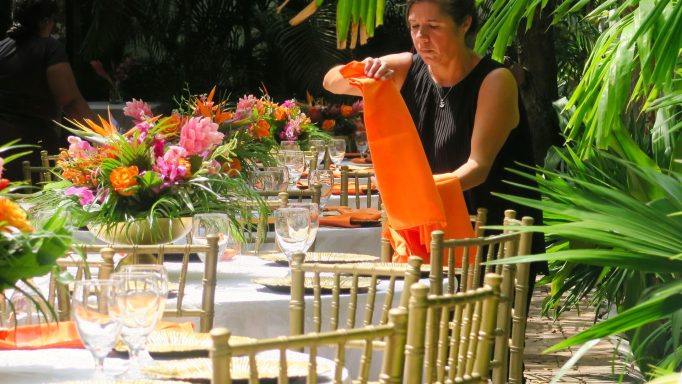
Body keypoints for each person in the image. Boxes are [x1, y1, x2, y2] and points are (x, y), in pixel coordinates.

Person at [323, 0, 546, 282]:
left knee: (480, 326)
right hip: (430, 232)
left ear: (464, 25)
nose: (421, 37)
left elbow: (478, 167)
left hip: (492, 236)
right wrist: (365, 70)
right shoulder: (406, 68)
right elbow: (331, 81)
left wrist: (416, 196)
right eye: (414, 27)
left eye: (433, 27)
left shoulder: (495, 80)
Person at [0, 0, 94, 181]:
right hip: (34, 153)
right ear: (46, 21)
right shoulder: (49, 48)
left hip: (3, 154)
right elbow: (70, 102)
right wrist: (104, 136)